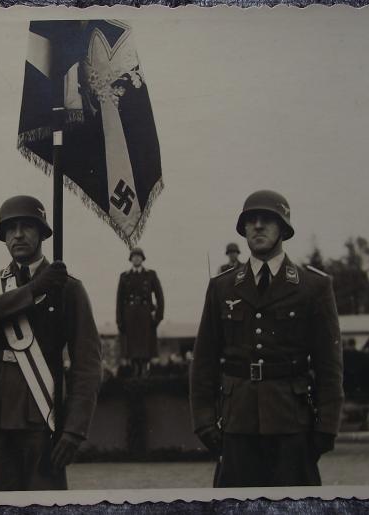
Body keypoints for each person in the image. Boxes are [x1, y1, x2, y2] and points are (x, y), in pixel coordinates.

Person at [189, 190, 343, 487]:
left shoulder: (313, 286)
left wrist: (327, 426)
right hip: (237, 425)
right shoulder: (222, 288)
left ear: (283, 228)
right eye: (250, 221)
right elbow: (204, 360)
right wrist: (204, 420)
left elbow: (329, 365)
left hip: (292, 424)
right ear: (243, 229)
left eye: (267, 220)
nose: (257, 226)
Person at [0, 195, 102, 491]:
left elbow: (88, 364)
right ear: (3, 238)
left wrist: (75, 430)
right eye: (10, 228)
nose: (17, 234)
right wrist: (33, 289)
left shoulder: (68, 289)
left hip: (42, 415)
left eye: (26, 226)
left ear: (42, 232)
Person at [115, 247, 164, 376]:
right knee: (131, 352)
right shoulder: (124, 276)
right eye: (134, 256)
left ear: (143, 258)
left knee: (146, 351)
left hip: (146, 317)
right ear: (131, 259)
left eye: (139, 256)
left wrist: (158, 317)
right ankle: (134, 375)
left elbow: (160, 297)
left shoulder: (150, 274)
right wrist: (119, 320)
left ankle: (145, 373)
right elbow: (119, 300)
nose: (136, 258)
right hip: (130, 317)